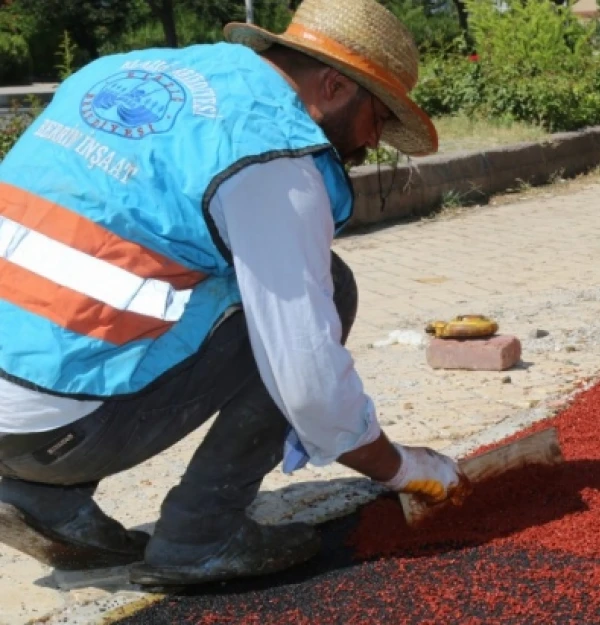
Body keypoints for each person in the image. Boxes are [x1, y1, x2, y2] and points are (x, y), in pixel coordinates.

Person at [0, 0, 470, 586]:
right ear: (334, 86)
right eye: (380, 118)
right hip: (61, 423)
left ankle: (37, 495)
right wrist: (400, 468)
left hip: (17, 415)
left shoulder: (121, 73)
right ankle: (203, 535)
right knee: (328, 287)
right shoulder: (270, 152)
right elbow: (307, 381)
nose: (373, 142)